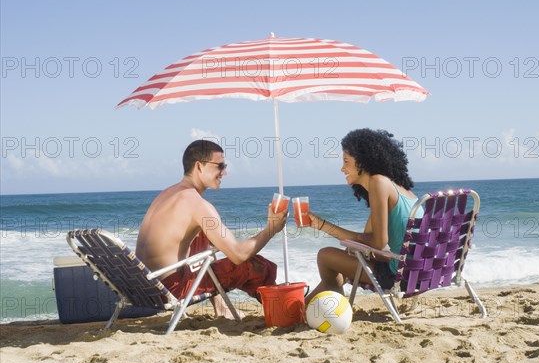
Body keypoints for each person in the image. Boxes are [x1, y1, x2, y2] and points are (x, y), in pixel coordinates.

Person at [136, 140, 287, 318]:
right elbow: (238, 255)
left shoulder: (167, 194)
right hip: (171, 290)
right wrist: (271, 229)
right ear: (199, 166)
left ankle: (221, 306)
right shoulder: (198, 205)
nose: (224, 172)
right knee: (256, 265)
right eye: (220, 166)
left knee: (202, 234)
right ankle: (283, 310)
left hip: (144, 289)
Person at [304, 128, 422, 302]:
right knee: (350, 253)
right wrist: (321, 225)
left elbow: (378, 243)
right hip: (421, 273)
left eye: (346, 161)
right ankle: (304, 305)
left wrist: (323, 225)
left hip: (400, 277)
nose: (342, 168)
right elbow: (366, 244)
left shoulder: (378, 182)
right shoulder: (397, 190)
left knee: (325, 255)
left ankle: (335, 310)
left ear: (363, 162)